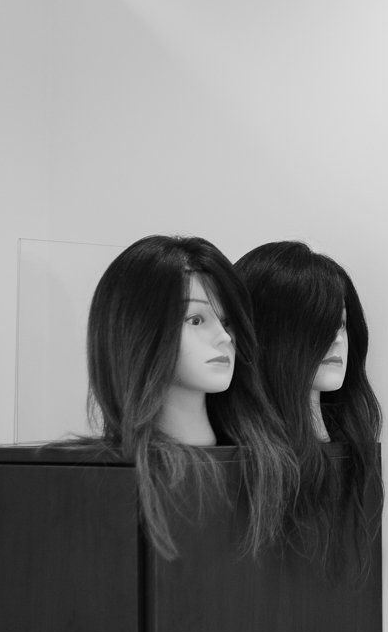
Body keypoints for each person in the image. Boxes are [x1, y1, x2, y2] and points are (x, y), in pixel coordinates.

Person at [86, 234, 299, 559]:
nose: (224, 337)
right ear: (138, 331)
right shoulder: (109, 482)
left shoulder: (264, 464)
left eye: (226, 321)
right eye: (196, 320)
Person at [235, 241, 383, 574]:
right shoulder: (241, 471)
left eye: (340, 324)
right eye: (317, 326)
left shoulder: (353, 458)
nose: (337, 340)